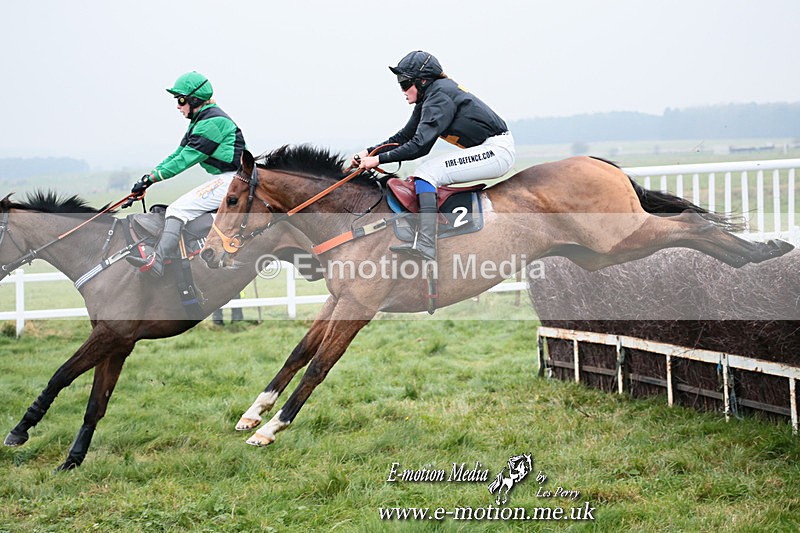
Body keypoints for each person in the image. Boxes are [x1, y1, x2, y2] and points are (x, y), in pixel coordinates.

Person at [352, 51, 515, 262]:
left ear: (422, 81)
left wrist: (378, 160)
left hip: (497, 151)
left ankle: (427, 244)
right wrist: (369, 152)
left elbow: (419, 146)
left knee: (427, 172)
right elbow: (404, 136)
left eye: (404, 83)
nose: (401, 89)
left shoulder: (440, 97)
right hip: (490, 148)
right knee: (426, 172)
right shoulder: (430, 96)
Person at [127, 71, 246, 277]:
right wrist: (148, 179)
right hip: (228, 178)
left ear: (194, 99)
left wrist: (152, 179)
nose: (178, 106)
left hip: (233, 180)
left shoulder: (211, 123)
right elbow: (178, 154)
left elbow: (184, 160)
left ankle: (158, 260)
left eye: (180, 100)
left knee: (177, 209)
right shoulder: (201, 120)